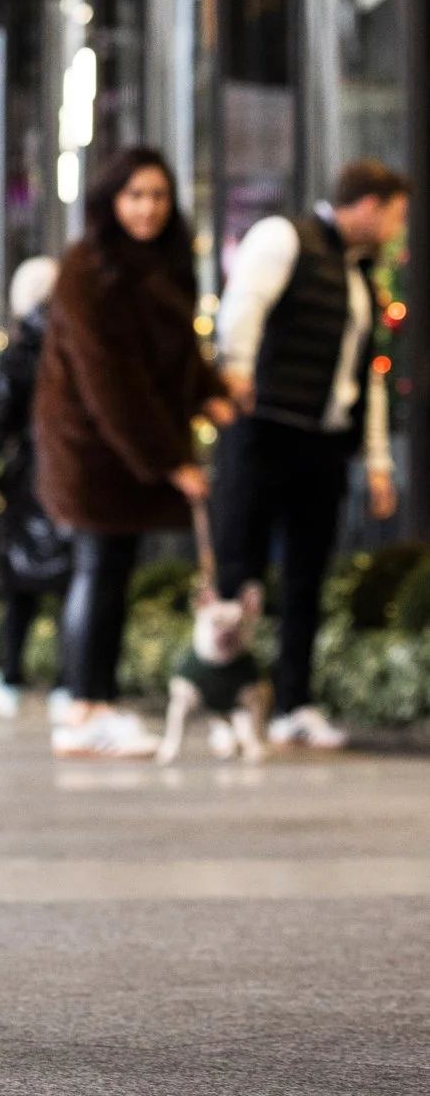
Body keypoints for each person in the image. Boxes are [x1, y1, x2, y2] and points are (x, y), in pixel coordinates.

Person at [213, 158, 408, 750]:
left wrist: (376, 460)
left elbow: (365, 376)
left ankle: (293, 704)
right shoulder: (282, 237)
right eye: (397, 214)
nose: (400, 228)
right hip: (263, 431)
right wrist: (237, 372)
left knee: (306, 577)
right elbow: (242, 306)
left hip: (322, 445)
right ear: (369, 205)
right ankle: (228, 706)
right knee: (238, 571)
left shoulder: (360, 275)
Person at [35, 147, 223, 759]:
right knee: (99, 572)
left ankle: (89, 702)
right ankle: (87, 710)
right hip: (94, 449)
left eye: (159, 196)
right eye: (135, 195)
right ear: (111, 201)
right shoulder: (89, 268)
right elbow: (112, 381)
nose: (148, 207)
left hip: (127, 450)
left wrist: (212, 393)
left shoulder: (165, 262)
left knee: (109, 575)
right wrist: (172, 460)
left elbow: (172, 358)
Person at [0, 254, 72, 720]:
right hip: (74, 478)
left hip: (30, 480)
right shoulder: (79, 344)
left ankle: (11, 677)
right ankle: (72, 684)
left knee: (21, 584)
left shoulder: (17, 354)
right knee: (76, 583)